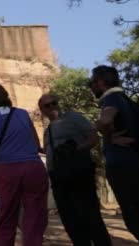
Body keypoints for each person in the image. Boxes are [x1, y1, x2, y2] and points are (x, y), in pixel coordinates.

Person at [0, 84, 48, 246]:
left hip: (8, 169)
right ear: (6, 96)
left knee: (7, 216)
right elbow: (36, 143)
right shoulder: (21, 113)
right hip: (32, 167)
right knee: (34, 215)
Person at [90, 65, 139, 245]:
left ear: (101, 82)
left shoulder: (111, 98)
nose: (92, 87)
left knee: (135, 216)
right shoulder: (124, 99)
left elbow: (106, 120)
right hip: (135, 162)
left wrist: (107, 136)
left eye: (92, 82)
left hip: (122, 165)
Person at [38, 93, 112, 246]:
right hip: (59, 178)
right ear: (42, 110)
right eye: (47, 105)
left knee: (91, 216)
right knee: (70, 220)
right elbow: (50, 153)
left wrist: (75, 148)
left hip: (79, 174)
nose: (52, 107)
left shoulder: (73, 117)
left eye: (54, 102)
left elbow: (93, 138)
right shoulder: (48, 130)